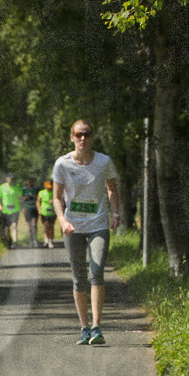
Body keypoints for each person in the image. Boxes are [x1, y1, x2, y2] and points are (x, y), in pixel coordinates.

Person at [53, 119, 119, 345]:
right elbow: (56, 197)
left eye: (87, 134)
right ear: (71, 137)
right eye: (78, 135)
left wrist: (116, 213)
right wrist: (62, 220)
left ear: (92, 137)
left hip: (98, 224)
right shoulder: (62, 164)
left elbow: (112, 188)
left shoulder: (104, 162)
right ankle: (84, 327)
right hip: (73, 227)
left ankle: (97, 326)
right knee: (78, 277)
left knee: (97, 271)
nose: (83, 139)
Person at [0, 173, 23, 249]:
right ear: (6, 179)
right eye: (9, 179)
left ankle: (15, 242)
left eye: (12, 179)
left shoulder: (17, 187)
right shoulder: (2, 187)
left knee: (14, 226)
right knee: (7, 228)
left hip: (15, 210)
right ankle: (9, 241)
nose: (11, 180)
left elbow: (20, 197)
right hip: (5, 211)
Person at [37, 180, 57, 249]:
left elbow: (58, 199)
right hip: (44, 212)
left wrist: (53, 201)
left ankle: (50, 240)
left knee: (51, 227)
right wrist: (39, 210)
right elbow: (38, 201)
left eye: (50, 187)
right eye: (47, 187)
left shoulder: (54, 192)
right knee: (46, 226)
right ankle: (46, 239)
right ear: (45, 186)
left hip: (52, 212)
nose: (49, 188)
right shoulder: (41, 193)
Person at [22, 176, 40, 247]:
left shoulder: (36, 189)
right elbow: (21, 199)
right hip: (27, 209)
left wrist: (35, 196)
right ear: (27, 182)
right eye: (28, 182)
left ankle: (35, 240)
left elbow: (39, 197)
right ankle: (31, 241)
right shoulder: (24, 189)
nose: (30, 183)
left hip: (35, 209)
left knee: (34, 225)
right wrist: (26, 197)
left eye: (31, 181)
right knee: (30, 226)